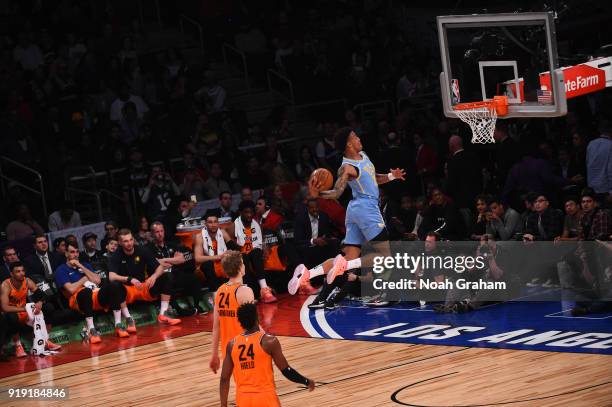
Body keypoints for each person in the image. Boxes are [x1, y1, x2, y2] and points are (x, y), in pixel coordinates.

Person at [289, 127, 406, 307]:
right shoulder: (347, 167)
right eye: (355, 137)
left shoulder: (363, 156)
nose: (359, 138)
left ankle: (308, 276)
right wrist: (317, 194)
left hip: (355, 210)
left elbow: (373, 178)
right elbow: (337, 192)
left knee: (347, 257)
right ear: (348, 144)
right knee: (384, 256)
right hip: (367, 210)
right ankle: (382, 293)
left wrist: (391, 176)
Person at [220, 302, 315, 407]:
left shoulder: (232, 344)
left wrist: (223, 405)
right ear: (257, 318)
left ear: (240, 322)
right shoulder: (268, 341)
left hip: (243, 399)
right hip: (265, 397)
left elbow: (224, 379)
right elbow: (286, 370)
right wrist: (306, 381)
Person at [55, 242, 132, 343]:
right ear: (66, 254)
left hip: (95, 294)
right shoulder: (61, 270)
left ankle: (118, 324)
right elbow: (71, 289)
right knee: (86, 292)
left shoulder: (85, 265)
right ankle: (91, 329)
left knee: (114, 286)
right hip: (77, 300)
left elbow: (98, 281)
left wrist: (80, 266)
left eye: (77, 252)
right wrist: (84, 279)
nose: (75, 254)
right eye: (72, 252)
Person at [108, 229, 180, 326]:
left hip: (143, 286)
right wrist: (129, 279)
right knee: (115, 285)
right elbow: (111, 277)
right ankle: (128, 319)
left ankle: (163, 314)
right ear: (120, 243)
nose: (129, 243)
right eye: (125, 241)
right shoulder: (116, 255)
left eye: (130, 240)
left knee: (167, 276)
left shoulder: (142, 250)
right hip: (127, 290)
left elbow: (160, 268)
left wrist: (154, 277)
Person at [1, 262, 61, 357]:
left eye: (22, 271)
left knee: (48, 307)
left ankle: (45, 340)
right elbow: (5, 308)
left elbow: (41, 295)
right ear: (11, 274)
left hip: (25, 311)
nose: (22, 273)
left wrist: (40, 303)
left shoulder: (27, 281)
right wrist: (24, 309)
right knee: (11, 316)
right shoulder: (6, 285)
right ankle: (18, 346)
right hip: (14, 313)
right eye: (18, 271)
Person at [209, 251, 255, 374]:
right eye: (243, 263)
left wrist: (214, 355)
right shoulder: (245, 291)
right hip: (245, 349)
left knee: (241, 386)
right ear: (240, 267)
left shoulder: (219, 291)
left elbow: (216, 327)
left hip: (227, 350)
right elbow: (253, 325)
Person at [147, 222, 204, 315]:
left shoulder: (171, 245)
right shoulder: (148, 249)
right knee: (168, 278)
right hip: (161, 278)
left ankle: (197, 306)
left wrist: (165, 260)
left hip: (175, 274)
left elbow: (181, 259)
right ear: (152, 234)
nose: (160, 234)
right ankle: (178, 310)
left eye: (161, 231)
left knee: (193, 277)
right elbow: (156, 263)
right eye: (157, 232)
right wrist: (174, 260)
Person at [234, 201, 277, 303]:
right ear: (241, 213)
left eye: (251, 212)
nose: (249, 215)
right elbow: (233, 248)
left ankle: (265, 290)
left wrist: (264, 247)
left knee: (257, 253)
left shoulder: (256, 224)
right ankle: (246, 295)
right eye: (246, 212)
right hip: (240, 254)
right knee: (244, 257)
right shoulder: (234, 226)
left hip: (253, 253)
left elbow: (260, 243)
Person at [194, 213, 238, 292]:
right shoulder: (199, 236)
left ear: (218, 223)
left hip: (222, 263)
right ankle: (216, 293)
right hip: (207, 266)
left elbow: (234, 249)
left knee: (239, 258)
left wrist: (230, 253)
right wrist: (218, 257)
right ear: (205, 224)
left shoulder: (222, 233)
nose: (213, 225)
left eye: (215, 222)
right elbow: (197, 258)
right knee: (208, 264)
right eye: (210, 222)